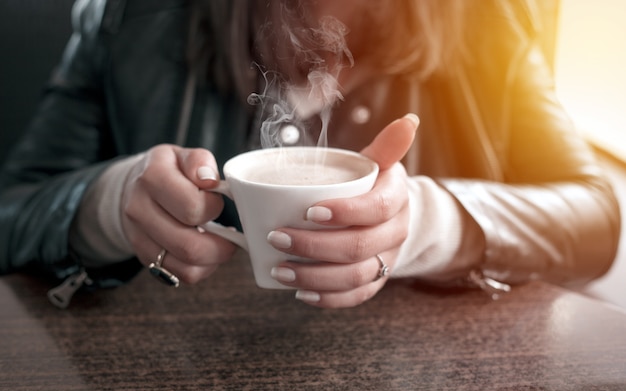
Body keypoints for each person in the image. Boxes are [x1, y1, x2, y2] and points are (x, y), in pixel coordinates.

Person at [0, 0, 620, 309]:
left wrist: (425, 223)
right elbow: (13, 210)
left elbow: (594, 217)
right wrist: (114, 201)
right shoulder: (136, 18)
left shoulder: (486, 23)